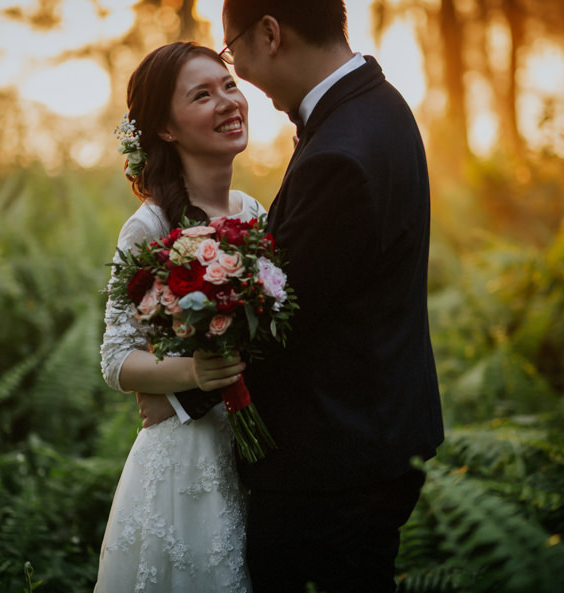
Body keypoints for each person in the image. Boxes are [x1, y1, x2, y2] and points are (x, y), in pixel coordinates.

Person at [217, 1, 445, 591]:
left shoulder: (340, 152)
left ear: (269, 33)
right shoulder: (380, 107)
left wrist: (183, 380)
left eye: (230, 50)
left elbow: (280, 321)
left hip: (329, 464)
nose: (237, 70)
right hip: (374, 437)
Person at [95, 41, 265, 593]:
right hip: (185, 464)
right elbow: (116, 358)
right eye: (202, 95)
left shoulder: (255, 213)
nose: (227, 102)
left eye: (229, 86)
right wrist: (191, 376)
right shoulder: (147, 228)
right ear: (165, 129)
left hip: (260, 455)